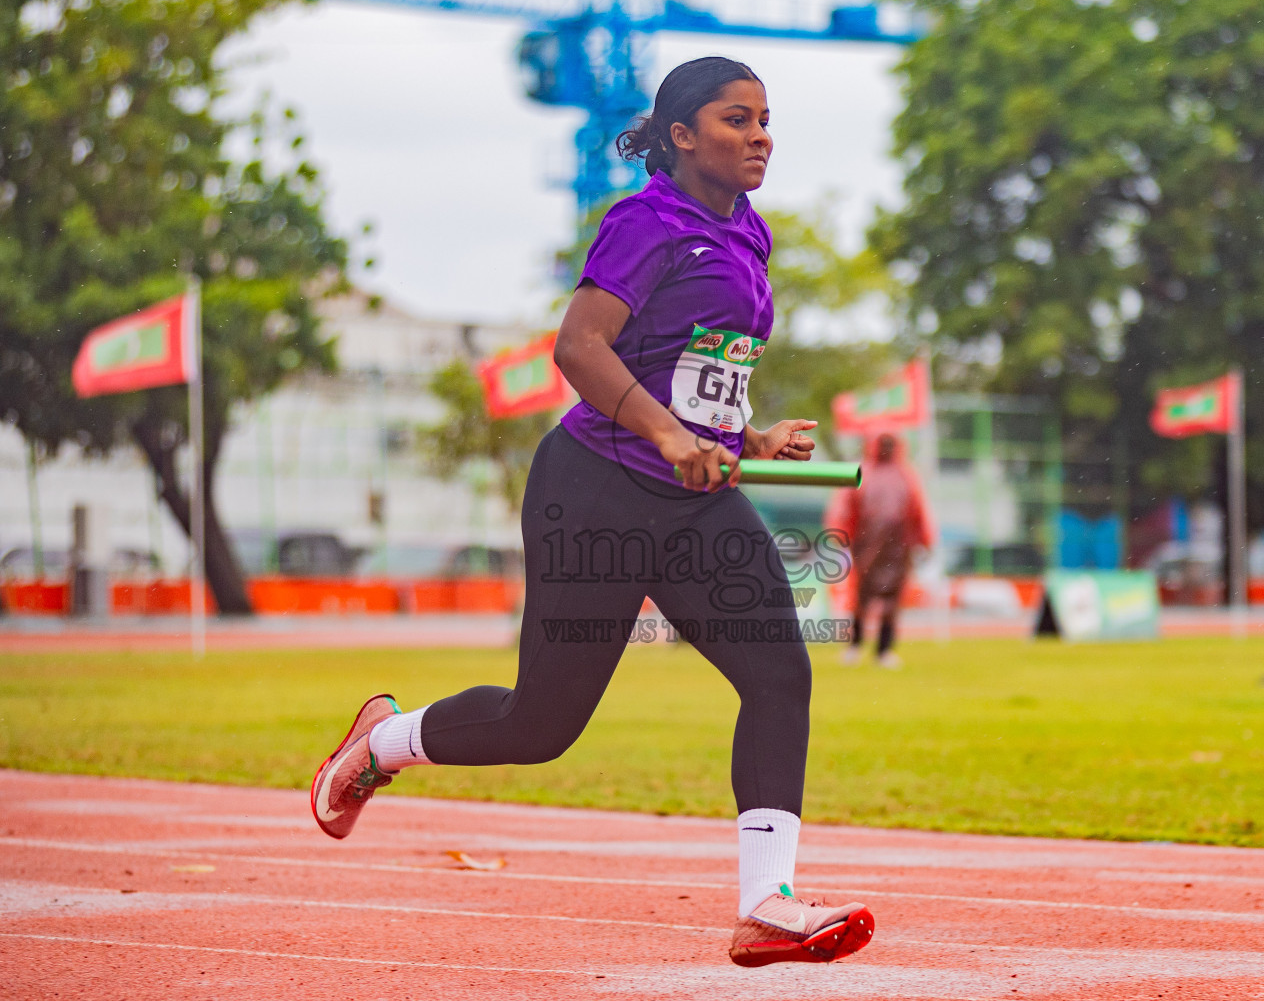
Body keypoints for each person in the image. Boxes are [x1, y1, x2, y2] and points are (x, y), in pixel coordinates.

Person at [309, 57, 875, 968]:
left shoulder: (749, 233)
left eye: (767, 119)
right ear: (682, 136)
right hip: (595, 490)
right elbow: (580, 346)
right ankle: (382, 742)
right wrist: (661, 432)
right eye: (737, 120)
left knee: (780, 675)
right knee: (541, 726)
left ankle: (765, 905)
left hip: (697, 504)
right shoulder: (643, 222)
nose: (761, 135)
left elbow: (695, 364)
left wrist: (746, 435)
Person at [831, 431, 933, 669]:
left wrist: (923, 541)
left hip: (898, 548)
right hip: (866, 547)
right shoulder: (864, 472)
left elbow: (917, 510)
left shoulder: (906, 476)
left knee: (892, 600)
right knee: (861, 596)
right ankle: (855, 645)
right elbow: (846, 509)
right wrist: (841, 536)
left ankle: (883, 650)